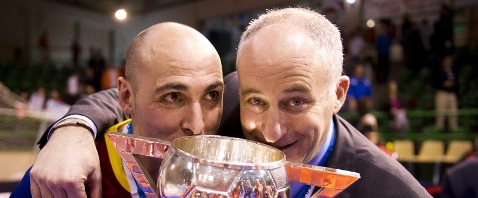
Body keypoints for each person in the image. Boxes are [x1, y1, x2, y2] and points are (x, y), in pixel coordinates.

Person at [29, 8, 430, 198]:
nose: (269, 131)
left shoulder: (393, 192)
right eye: (256, 100)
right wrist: (73, 128)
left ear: (339, 93)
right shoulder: (227, 103)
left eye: (295, 102)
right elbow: (138, 96)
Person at [11, 22, 224, 197]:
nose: (197, 126)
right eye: (173, 97)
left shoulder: (236, 165)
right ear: (126, 97)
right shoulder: (68, 174)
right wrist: (73, 128)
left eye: (211, 95)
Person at [433, 55, 458, 131]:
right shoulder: (439, 71)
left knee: (453, 115)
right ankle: (439, 134)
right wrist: (443, 84)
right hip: (442, 93)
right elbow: (434, 83)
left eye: (450, 60)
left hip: (451, 94)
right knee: (440, 115)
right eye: (447, 60)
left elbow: (457, 83)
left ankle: (454, 134)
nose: (448, 62)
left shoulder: (454, 71)